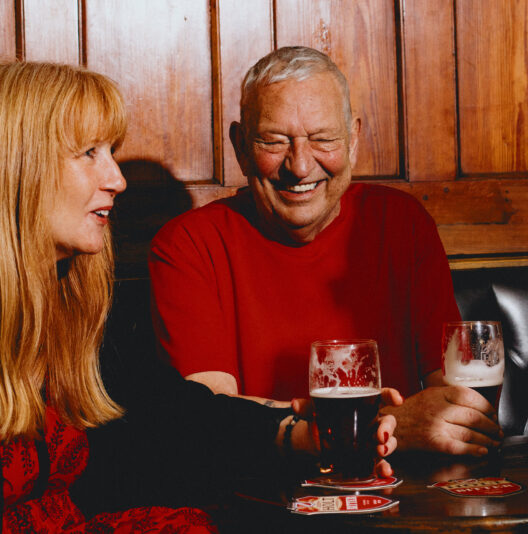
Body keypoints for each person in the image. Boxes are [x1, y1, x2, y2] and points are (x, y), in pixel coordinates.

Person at [0, 61, 398, 532]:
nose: (117, 179)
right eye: (88, 153)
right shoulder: (182, 248)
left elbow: (173, 415)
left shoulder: (70, 308)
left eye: (111, 151)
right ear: (20, 167)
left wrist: (301, 430)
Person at [148, 46, 503, 457]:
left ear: (352, 140)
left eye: (323, 139)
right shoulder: (188, 245)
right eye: (273, 141)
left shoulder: (402, 222)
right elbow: (212, 418)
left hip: (398, 489)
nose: (299, 166)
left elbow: (453, 392)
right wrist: (375, 430)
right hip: (262, 496)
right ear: (240, 146)